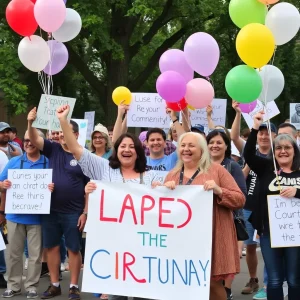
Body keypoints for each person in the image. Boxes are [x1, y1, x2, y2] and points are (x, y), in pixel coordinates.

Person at [156, 132, 245, 300]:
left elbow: (239, 199)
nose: (186, 149)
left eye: (191, 146)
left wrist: (220, 191)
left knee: (211, 283)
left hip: (212, 237)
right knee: (185, 281)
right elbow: (163, 210)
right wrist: (162, 191)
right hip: (182, 239)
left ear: (201, 150)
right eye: (183, 145)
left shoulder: (216, 170)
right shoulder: (173, 175)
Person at [27, 108, 89, 300]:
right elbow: (35, 139)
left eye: (65, 132)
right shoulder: (52, 148)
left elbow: (89, 187)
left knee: (73, 248)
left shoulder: (83, 155)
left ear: (75, 134)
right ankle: (54, 285)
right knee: (51, 247)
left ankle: (73, 286)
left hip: (73, 211)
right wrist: (30, 123)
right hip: (51, 210)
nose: (61, 135)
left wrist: (85, 212)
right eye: (60, 132)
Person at [244, 111, 300, 300]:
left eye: (287, 147)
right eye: (279, 148)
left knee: (294, 280)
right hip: (269, 233)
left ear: (294, 150)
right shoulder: (266, 168)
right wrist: (254, 128)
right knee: (274, 280)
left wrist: (297, 192)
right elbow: (248, 153)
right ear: (274, 152)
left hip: (296, 236)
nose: (283, 151)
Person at [0, 130, 54, 299]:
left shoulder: (48, 163)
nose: (28, 143)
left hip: (37, 218)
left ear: (39, 142)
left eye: (32, 140)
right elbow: (0, 184)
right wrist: (4, 184)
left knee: (35, 255)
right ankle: (14, 285)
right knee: (14, 253)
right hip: (14, 216)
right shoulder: (14, 162)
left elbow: (57, 187)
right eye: (25, 140)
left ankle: (31, 286)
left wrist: (52, 188)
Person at [231, 100, 276, 298]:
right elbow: (233, 137)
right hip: (248, 205)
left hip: (270, 207)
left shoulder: (280, 154)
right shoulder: (250, 151)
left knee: (270, 245)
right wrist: (238, 113)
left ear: (275, 135)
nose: (265, 136)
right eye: (262, 132)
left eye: (269, 133)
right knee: (249, 245)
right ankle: (253, 279)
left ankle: (270, 283)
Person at [206, 129, 247, 300]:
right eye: (211, 142)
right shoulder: (195, 166)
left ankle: (227, 292)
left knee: (220, 273)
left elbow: (240, 196)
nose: (214, 146)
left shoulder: (232, 166)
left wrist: (219, 190)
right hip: (201, 226)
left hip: (226, 223)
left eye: (219, 142)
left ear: (226, 146)